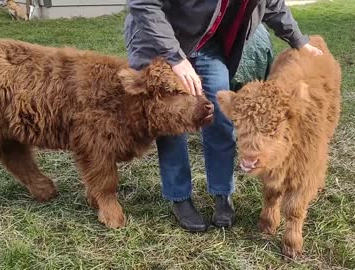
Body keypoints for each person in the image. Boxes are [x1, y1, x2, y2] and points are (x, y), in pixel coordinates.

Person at [124, 0, 323, 233]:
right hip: (159, 41)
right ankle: (180, 197)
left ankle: (222, 193)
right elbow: (143, 3)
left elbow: (273, 5)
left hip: (206, 42)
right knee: (171, 121)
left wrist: (300, 41)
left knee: (220, 115)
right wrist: (176, 59)